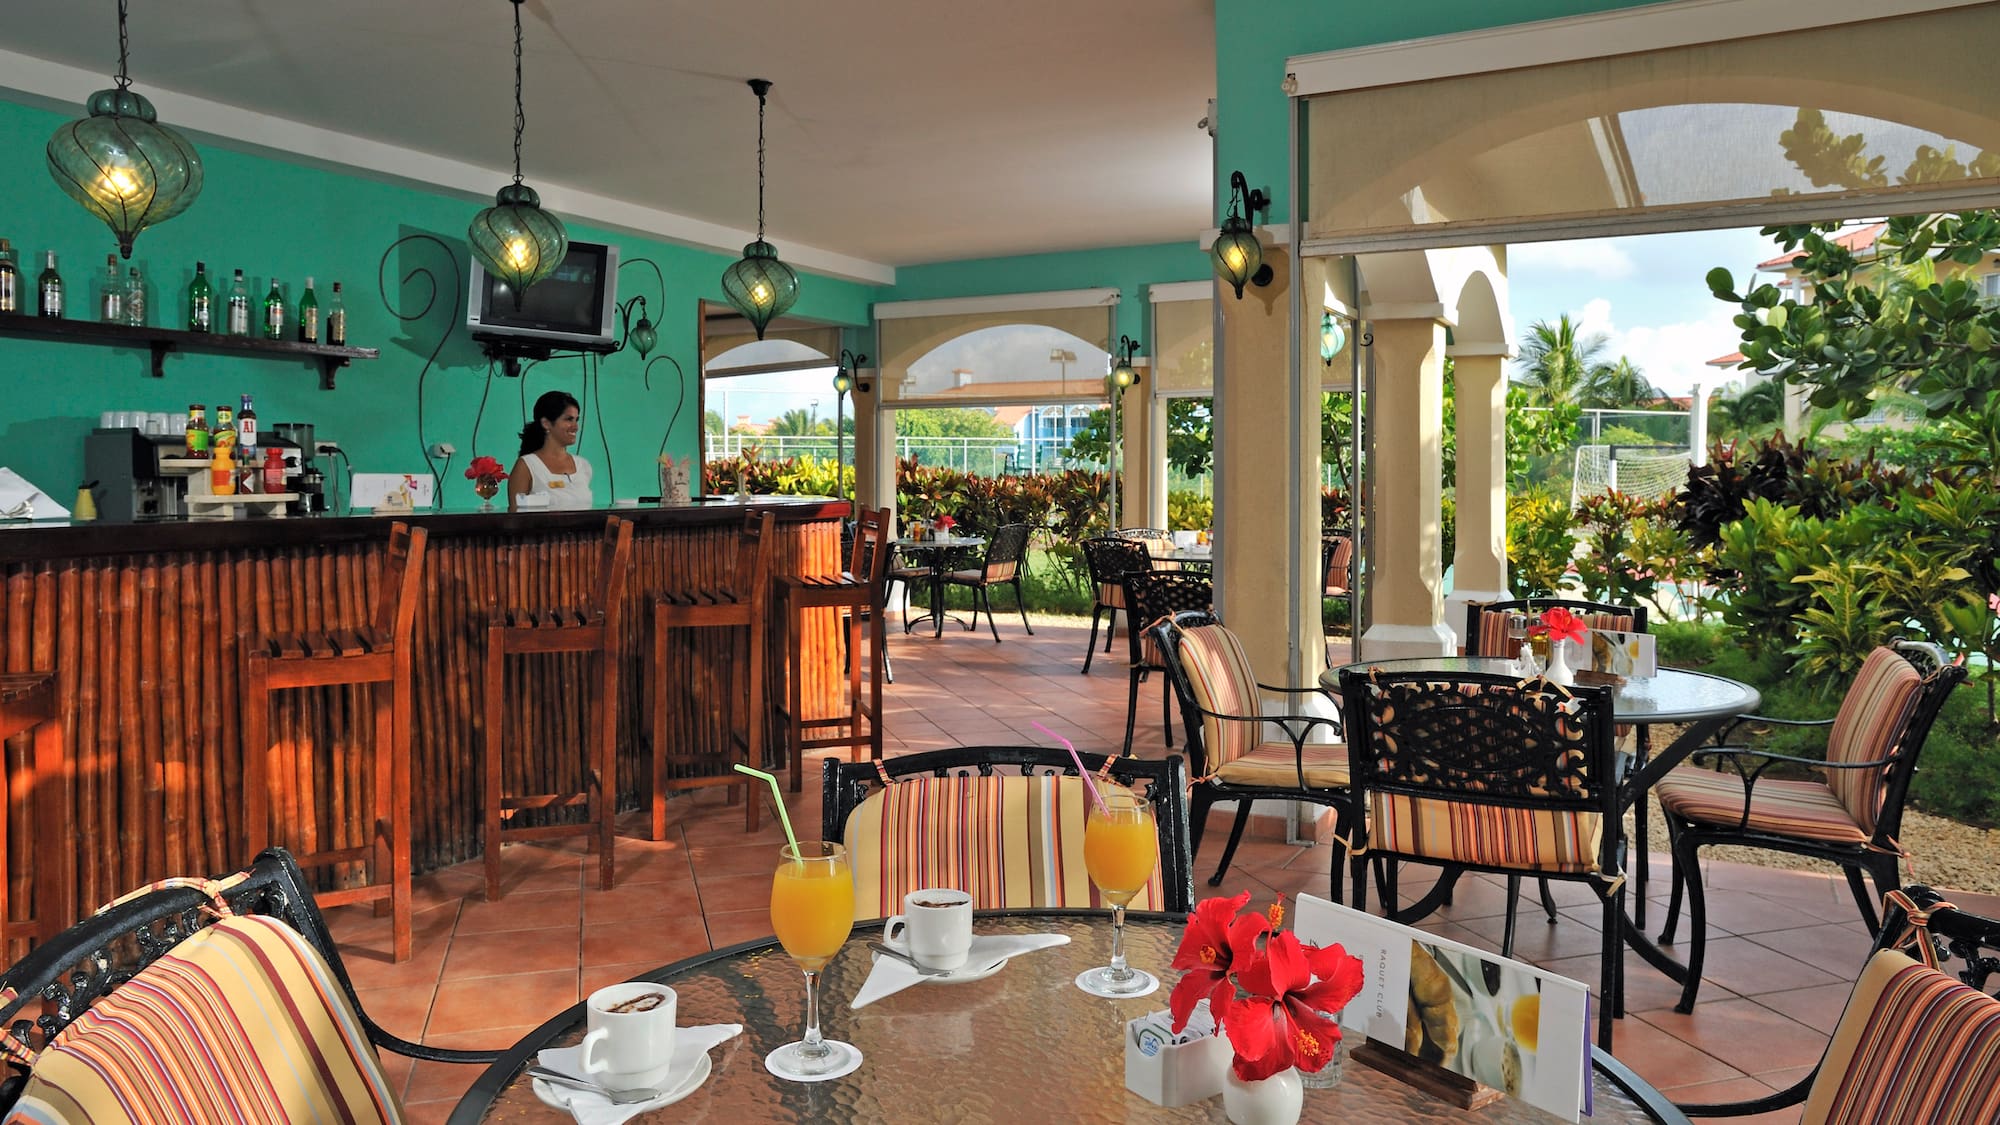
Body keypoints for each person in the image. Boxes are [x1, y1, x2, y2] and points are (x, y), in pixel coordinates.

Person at [509, 391, 594, 511]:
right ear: (546, 423)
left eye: (576, 420)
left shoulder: (583, 466)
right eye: (569, 419)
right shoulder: (527, 465)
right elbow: (515, 516)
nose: (575, 427)